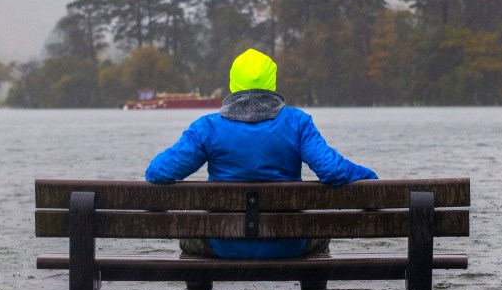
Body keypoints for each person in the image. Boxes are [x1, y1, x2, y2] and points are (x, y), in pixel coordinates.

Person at [145, 48, 378, 260]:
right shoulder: (298, 123)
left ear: (233, 83)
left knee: (190, 238)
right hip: (290, 242)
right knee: (318, 235)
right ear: (272, 82)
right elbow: (332, 171)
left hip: (223, 244)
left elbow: (157, 172)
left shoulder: (207, 128)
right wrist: (367, 176)